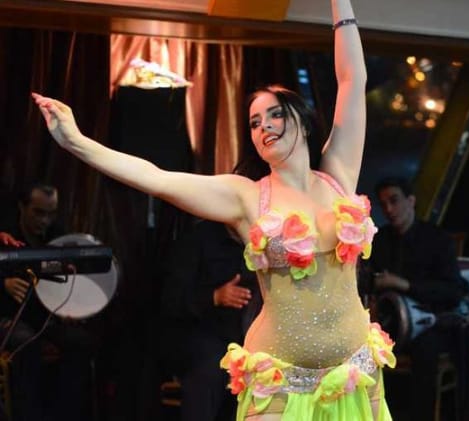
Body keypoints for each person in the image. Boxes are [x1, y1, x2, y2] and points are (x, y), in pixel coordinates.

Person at [33, 0, 396, 419]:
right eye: (255, 122)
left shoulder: (338, 176)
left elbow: (352, 79)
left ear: (302, 120)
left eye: (274, 114)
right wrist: (77, 142)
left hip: (356, 375)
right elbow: (157, 178)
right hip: (281, 383)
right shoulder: (246, 196)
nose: (264, 126)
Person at [367, 176, 469, 421]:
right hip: (390, 322)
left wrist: (404, 285)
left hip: (432, 322)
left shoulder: (438, 240)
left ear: (411, 201)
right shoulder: (379, 240)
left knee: (425, 349)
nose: (389, 209)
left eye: (394, 201)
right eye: (384, 204)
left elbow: (453, 291)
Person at [0, 182, 97, 421]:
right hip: (9, 317)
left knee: (80, 342)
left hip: (45, 318)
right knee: (26, 343)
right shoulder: (5, 234)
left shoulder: (59, 237)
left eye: (50, 214)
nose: (45, 220)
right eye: (38, 212)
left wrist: (70, 308)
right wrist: (3, 284)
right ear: (22, 207)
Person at [159, 219, 259, 421]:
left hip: (252, 335)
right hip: (207, 334)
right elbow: (171, 299)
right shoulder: (199, 238)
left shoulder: (264, 241)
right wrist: (215, 296)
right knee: (210, 369)